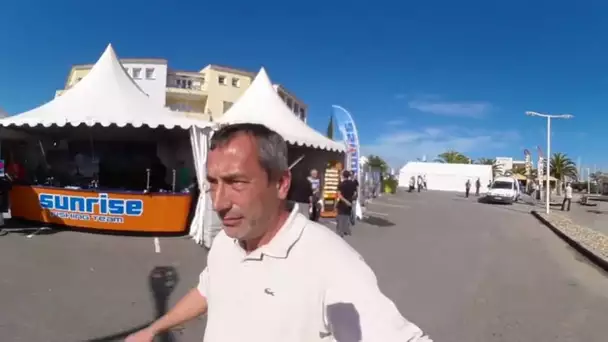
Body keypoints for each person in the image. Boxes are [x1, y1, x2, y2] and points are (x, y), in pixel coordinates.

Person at [125, 123, 432, 342]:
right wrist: (153, 329)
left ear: (281, 184)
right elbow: (207, 290)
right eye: (213, 183)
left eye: (236, 182)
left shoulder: (330, 260)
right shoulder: (226, 240)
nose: (218, 203)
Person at [336, 170, 357, 237]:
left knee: (340, 219)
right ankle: (345, 230)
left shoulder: (341, 184)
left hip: (342, 204)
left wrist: (345, 201)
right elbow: (355, 194)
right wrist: (351, 200)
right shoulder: (352, 184)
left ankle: (340, 234)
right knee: (346, 218)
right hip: (349, 204)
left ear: (342, 175)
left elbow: (339, 195)